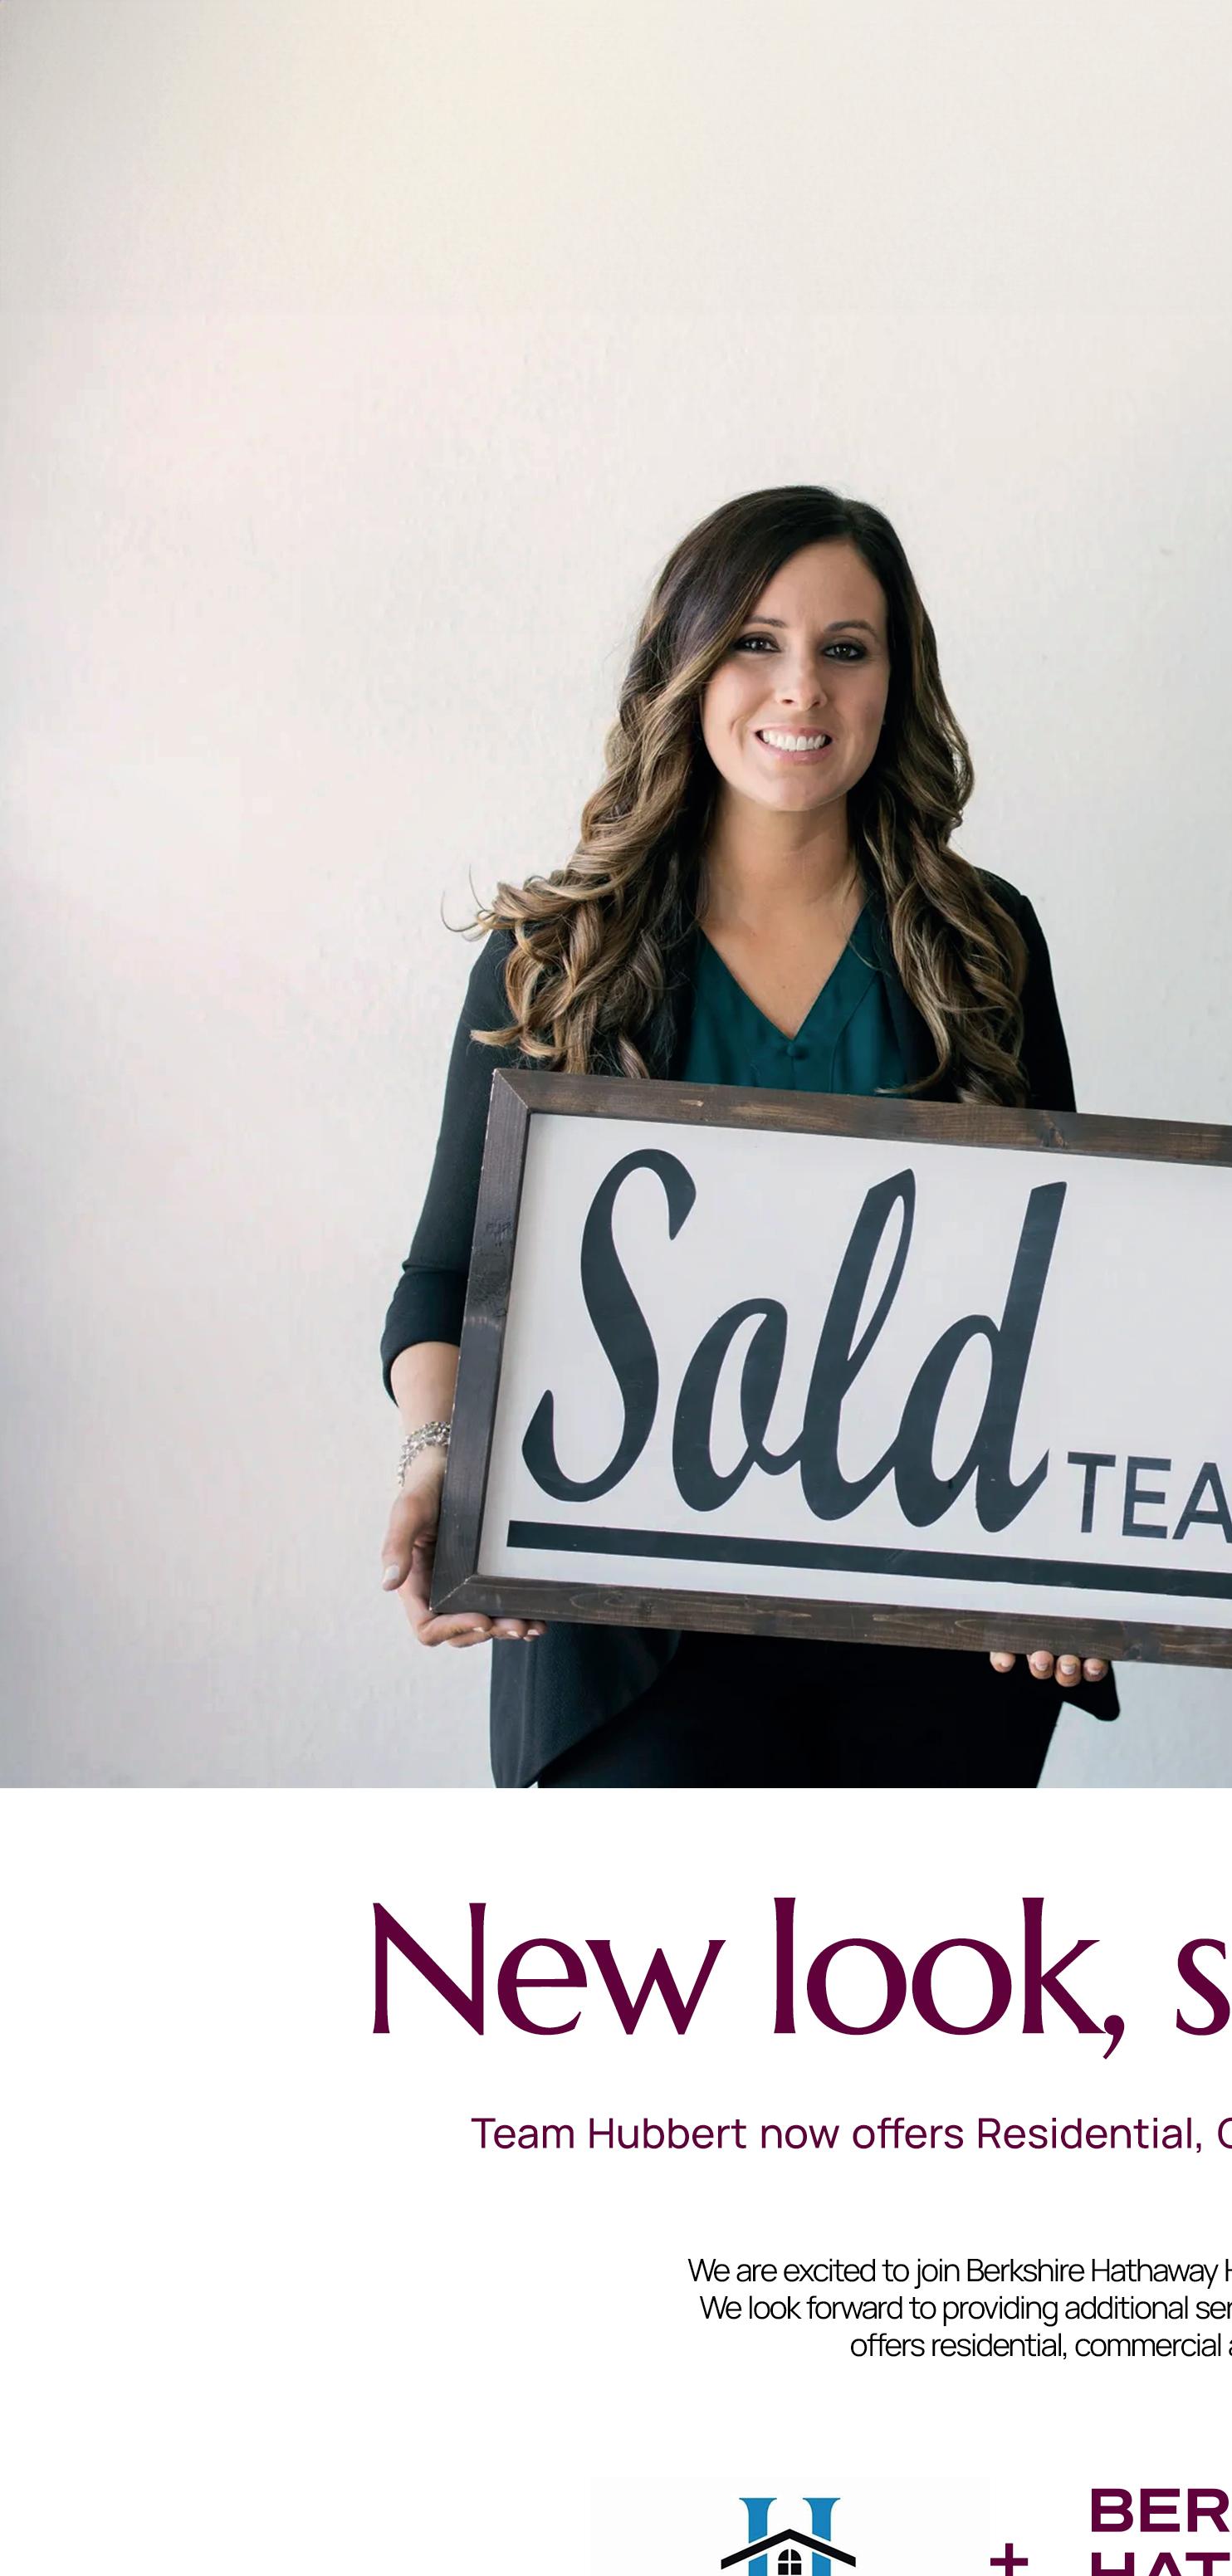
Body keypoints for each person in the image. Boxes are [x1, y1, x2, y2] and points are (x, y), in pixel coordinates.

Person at [380, 486, 1114, 1785]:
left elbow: (1052, 1291)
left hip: (933, 1628)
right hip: (627, 1632)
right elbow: (448, 1282)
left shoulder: (982, 942)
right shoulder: (554, 957)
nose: (802, 689)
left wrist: (1076, 1549)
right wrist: (442, 1462)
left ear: (896, 681)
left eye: (847, 648)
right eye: (755, 643)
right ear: (684, 666)